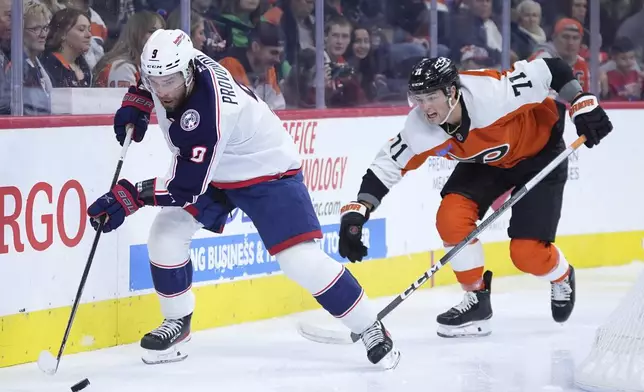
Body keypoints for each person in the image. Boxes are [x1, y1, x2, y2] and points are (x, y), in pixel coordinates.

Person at [85, 29, 400, 370]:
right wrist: (139, 98)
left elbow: (185, 186)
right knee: (166, 233)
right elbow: (156, 82)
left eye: (169, 81)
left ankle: (371, 326)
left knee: (300, 260)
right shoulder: (177, 68)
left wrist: (130, 196)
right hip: (216, 169)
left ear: (189, 70)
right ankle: (177, 324)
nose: (163, 90)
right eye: (154, 81)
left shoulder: (211, 112)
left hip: (267, 170)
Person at [338, 56, 612, 338]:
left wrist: (581, 101)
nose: (425, 107)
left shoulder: (492, 94)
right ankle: (477, 301)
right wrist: (360, 208)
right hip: (487, 163)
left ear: (452, 92)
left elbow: (552, 69)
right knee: (451, 218)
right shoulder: (420, 127)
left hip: (539, 153)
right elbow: (390, 163)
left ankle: (562, 275)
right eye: (418, 98)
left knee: (526, 255)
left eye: (431, 97)